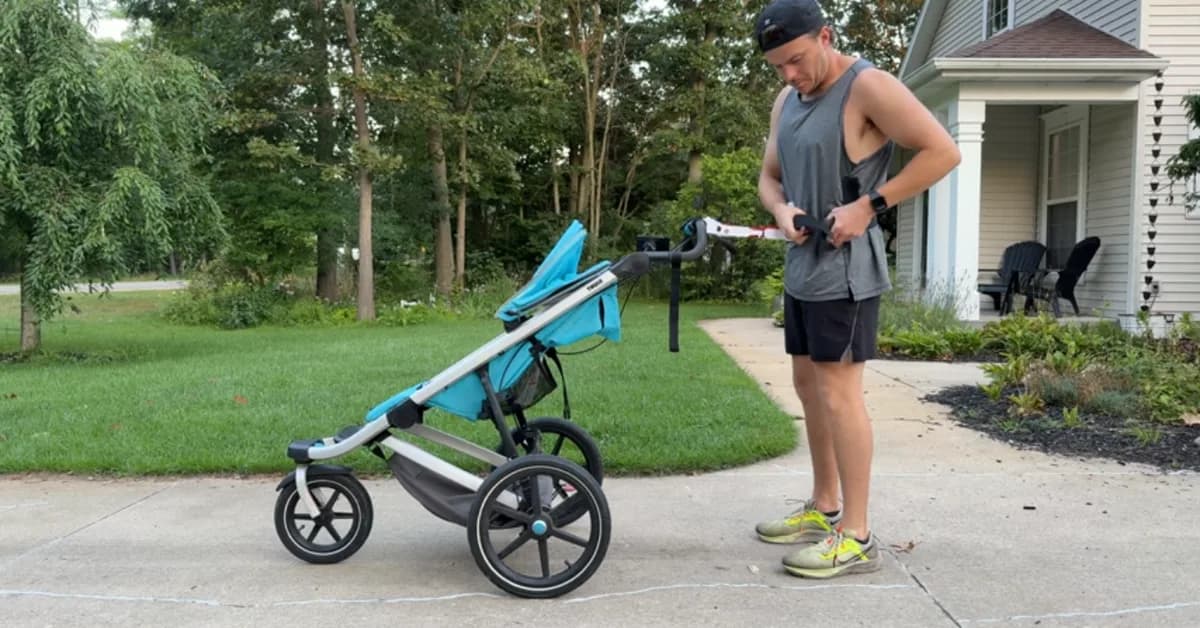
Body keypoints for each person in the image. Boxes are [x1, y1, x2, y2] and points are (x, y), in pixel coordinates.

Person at [751, 0, 961, 579]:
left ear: (825, 35)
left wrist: (871, 205)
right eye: (778, 67)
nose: (789, 75)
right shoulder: (787, 100)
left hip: (846, 271)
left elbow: (943, 151)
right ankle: (825, 507)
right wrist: (783, 208)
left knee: (840, 394)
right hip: (802, 267)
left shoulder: (869, 86)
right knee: (807, 386)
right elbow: (769, 177)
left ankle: (858, 534)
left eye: (796, 60)